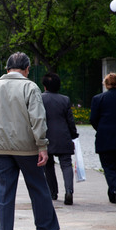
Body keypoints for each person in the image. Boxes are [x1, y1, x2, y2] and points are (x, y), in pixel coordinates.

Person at [0, 52, 60, 230]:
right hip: (27, 148)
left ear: (7, 69)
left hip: (0, 147)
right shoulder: (30, 87)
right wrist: (42, 146)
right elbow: (38, 119)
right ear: (26, 69)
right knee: (38, 188)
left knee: (4, 191)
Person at [41, 72, 79, 205]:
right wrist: (73, 135)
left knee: (48, 165)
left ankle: (53, 192)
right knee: (66, 164)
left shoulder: (40, 99)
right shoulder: (65, 99)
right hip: (63, 136)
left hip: (46, 136)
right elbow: (70, 121)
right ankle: (69, 191)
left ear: (44, 86)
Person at [90, 72, 116, 205]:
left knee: (108, 168)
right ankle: (113, 192)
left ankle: (114, 190)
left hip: (105, 138)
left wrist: (101, 129)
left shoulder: (98, 98)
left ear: (106, 84)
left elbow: (93, 119)